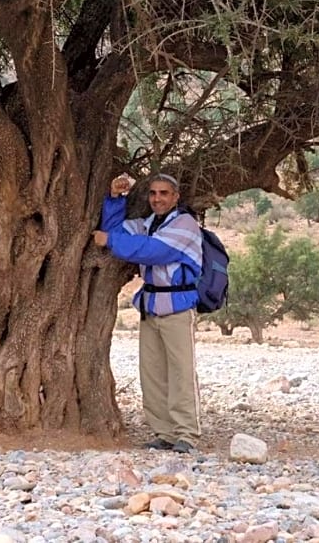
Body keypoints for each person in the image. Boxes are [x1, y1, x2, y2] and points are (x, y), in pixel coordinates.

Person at [92, 173, 203, 453]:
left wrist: (110, 242)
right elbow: (116, 232)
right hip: (151, 305)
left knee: (181, 371)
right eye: (153, 193)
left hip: (177, 306)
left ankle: (187, 434)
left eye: (164, 193)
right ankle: (163, 432)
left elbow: (154, 251)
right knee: (151, 372)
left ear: (175, 197)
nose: (157, 199)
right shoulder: (148, 224)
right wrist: (115, 200)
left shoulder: (185, 224)